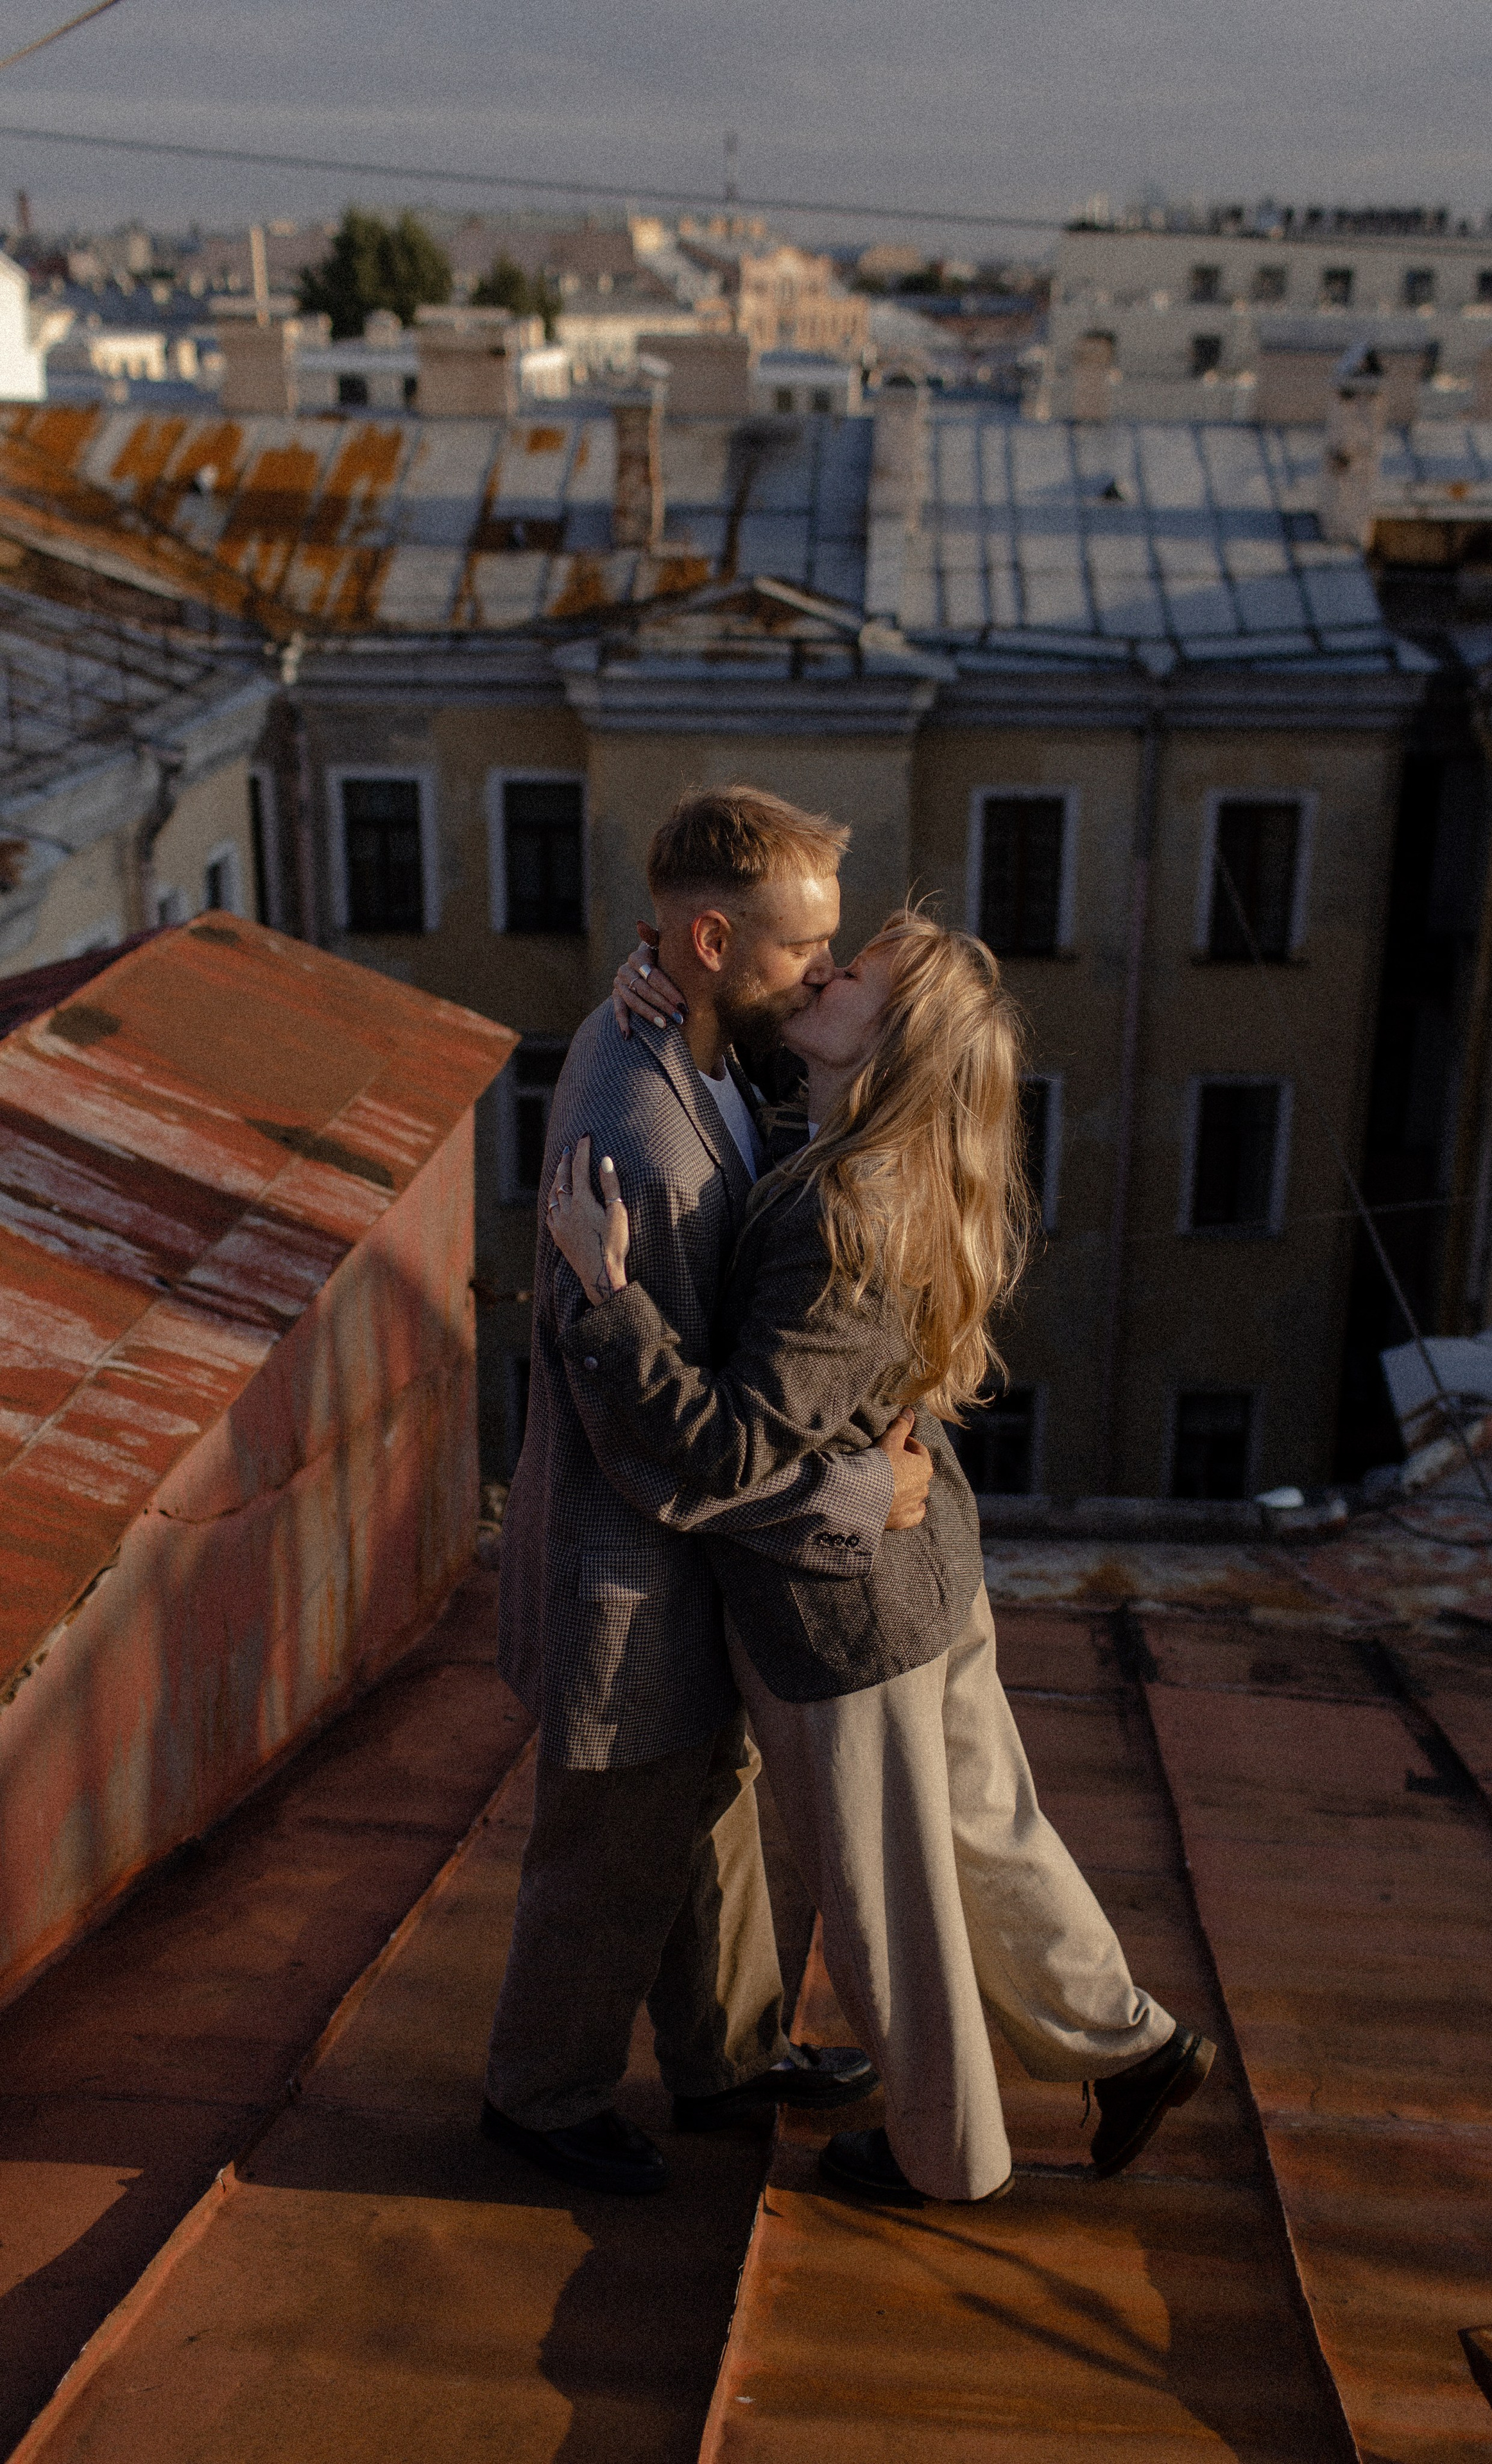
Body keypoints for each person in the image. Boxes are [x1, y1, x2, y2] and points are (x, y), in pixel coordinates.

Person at [548, 907, 1215, 2206]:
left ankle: (945, 2159)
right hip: (924, 1574)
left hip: (838, 1617)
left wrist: (609, 1299)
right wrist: (670, 987)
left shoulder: (838, 1212)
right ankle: (1128, 2046)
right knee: (984, 1835)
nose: (823, 968)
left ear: (891, 1037)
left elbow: (727, 1450)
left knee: (887, 1903)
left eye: (851, 972)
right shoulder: (882, 1165)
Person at [485, 787, 938, 2198]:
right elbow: (670, 1448)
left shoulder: (685, 1036)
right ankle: (538, 2098)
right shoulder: (645, 1134)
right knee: (610, 1851)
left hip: (684, 1574)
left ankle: (728, 2061)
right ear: (704, 934)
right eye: (802, 948)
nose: (821, 971)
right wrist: (864, 1498)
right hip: (628, 1575)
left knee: (709, 1821)